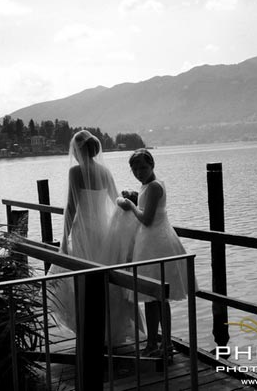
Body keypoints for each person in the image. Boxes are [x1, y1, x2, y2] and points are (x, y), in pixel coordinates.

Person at [51, 130, 140, 345]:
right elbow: (116, 200)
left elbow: (71, 208)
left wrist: (64, 239)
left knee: (82, 280)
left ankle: (89, 328)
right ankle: (109, 327)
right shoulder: (105, 171)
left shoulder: (76, 172)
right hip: (104, 232)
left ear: (78, 150)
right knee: (105, 280)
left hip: (83, 233)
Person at [117, 148, 192, 356]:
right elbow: (148, 206)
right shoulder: (148, 185)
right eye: (135, 169)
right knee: (150, 297)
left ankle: (166, 344)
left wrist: (130, 205)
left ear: (152, 165)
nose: (139, 172)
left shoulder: (154, 187)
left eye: (143, 167)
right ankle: (152, 343)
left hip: (157, 244)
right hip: (149, 242)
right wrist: (135, 197)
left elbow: (147, 219)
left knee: (159, 297)